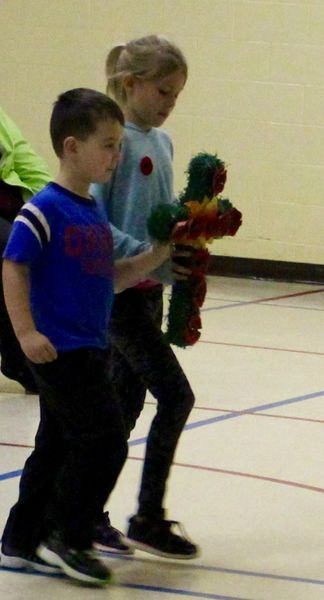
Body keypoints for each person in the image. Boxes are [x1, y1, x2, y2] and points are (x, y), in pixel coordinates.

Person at [0, 88, 171, 586]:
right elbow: (13, 265)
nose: (116, 156)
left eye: (119, 146)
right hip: (57, 349)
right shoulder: (45, 209)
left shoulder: (92, 214)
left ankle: (21, 537)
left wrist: (154, 257)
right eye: (108, 145)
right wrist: (25, 331)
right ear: (72, 147)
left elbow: (108, 279)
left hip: (87, 348)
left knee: (55, 443)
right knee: (104, 440)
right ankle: (69, 535)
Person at [91, 35, 199, 559]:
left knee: (124, 407)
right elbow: (97, 225)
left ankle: (85, 512)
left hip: (150, 294)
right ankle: (147, 516)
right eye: (162, 90)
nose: (168, 102)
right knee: (176, 396)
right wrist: (150, 254)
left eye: (176, 95)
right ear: (131, 84)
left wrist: (183, 259)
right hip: (118, 296)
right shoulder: (114, 144)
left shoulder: (165, 142)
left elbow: (163, 223)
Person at [0, 107, 52, 392]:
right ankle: (19, 357)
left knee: (41, 243)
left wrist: (57, 206)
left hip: (10, 209)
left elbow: (28, 162)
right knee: (11, 251)